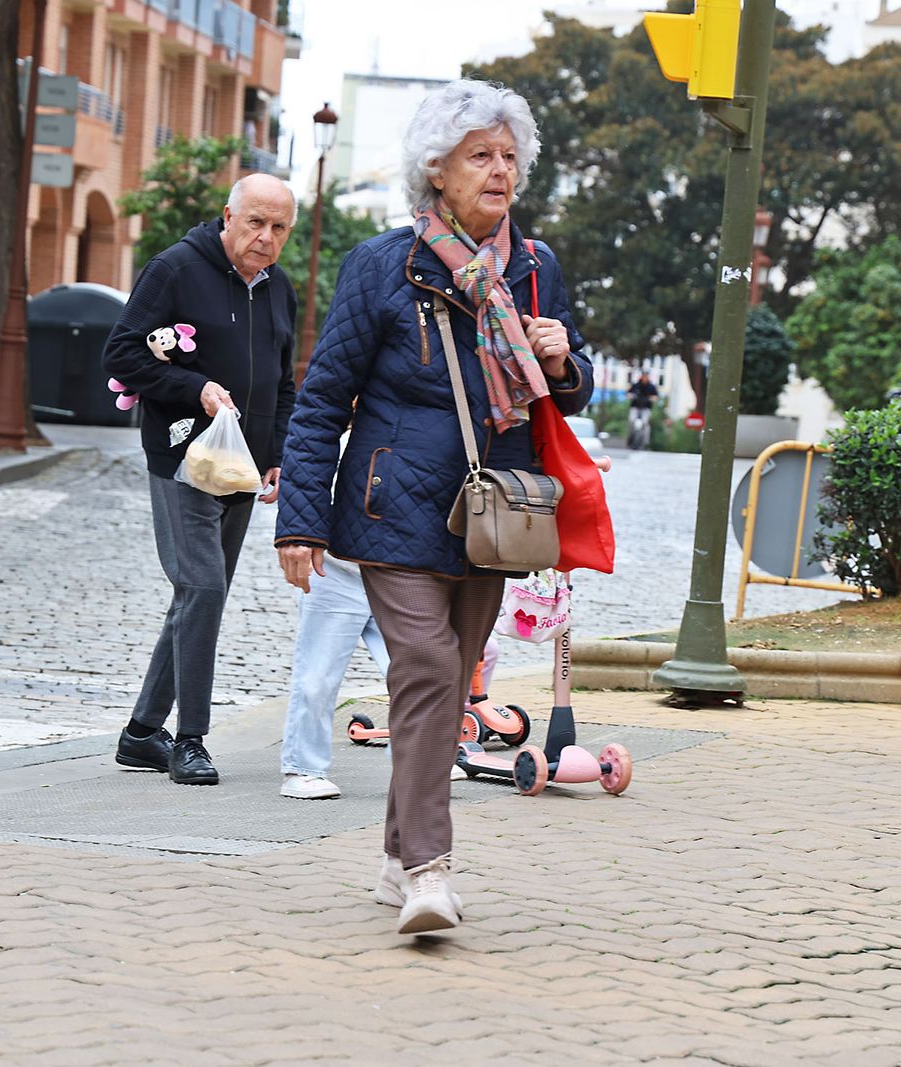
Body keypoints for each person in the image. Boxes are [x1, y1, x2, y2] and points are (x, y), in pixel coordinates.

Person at [275, 79, 592, 935]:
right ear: (437, 171)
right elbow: (321, 401)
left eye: (509, 156)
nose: (500, 170)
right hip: (390, 508)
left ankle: (391, 854)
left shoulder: (535, 268)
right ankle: (427, 872)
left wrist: (564, 359)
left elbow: (572, 391)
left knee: (447, 684)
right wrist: (300, 519)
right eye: (480, 155)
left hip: (493, 517)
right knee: (424, 671)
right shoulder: (383, 265)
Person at [102, 173, 298, 786]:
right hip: (182, 457)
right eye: (255, 223)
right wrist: (194, 388)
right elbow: (122, 353)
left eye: (279, 228)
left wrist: (278, 452)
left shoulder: (280, 290)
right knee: (205, 590)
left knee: (194, 596)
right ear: (227, 217)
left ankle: (140, 735)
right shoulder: (175, 269)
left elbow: (282, 381)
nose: (265, 238)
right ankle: (190, 739)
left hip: (242, 465)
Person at [278, 553, 389, 800]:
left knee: (417, 670)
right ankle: (302, 769)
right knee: (318, 677)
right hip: (331, 566)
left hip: (397, 564)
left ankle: (424, 758)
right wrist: (295, 536)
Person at [627, 371, 658, 449]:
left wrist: (651, 398)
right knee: (631, 421)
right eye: (643, 376)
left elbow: (656, 397)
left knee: (645, 423)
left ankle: (645, 441)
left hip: (646, 408)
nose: (645, 378)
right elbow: (628, 393)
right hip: (635, 407)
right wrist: (631, 396)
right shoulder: (636, 385)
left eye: (646, 376)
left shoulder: (651, 387)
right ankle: (630, 436)